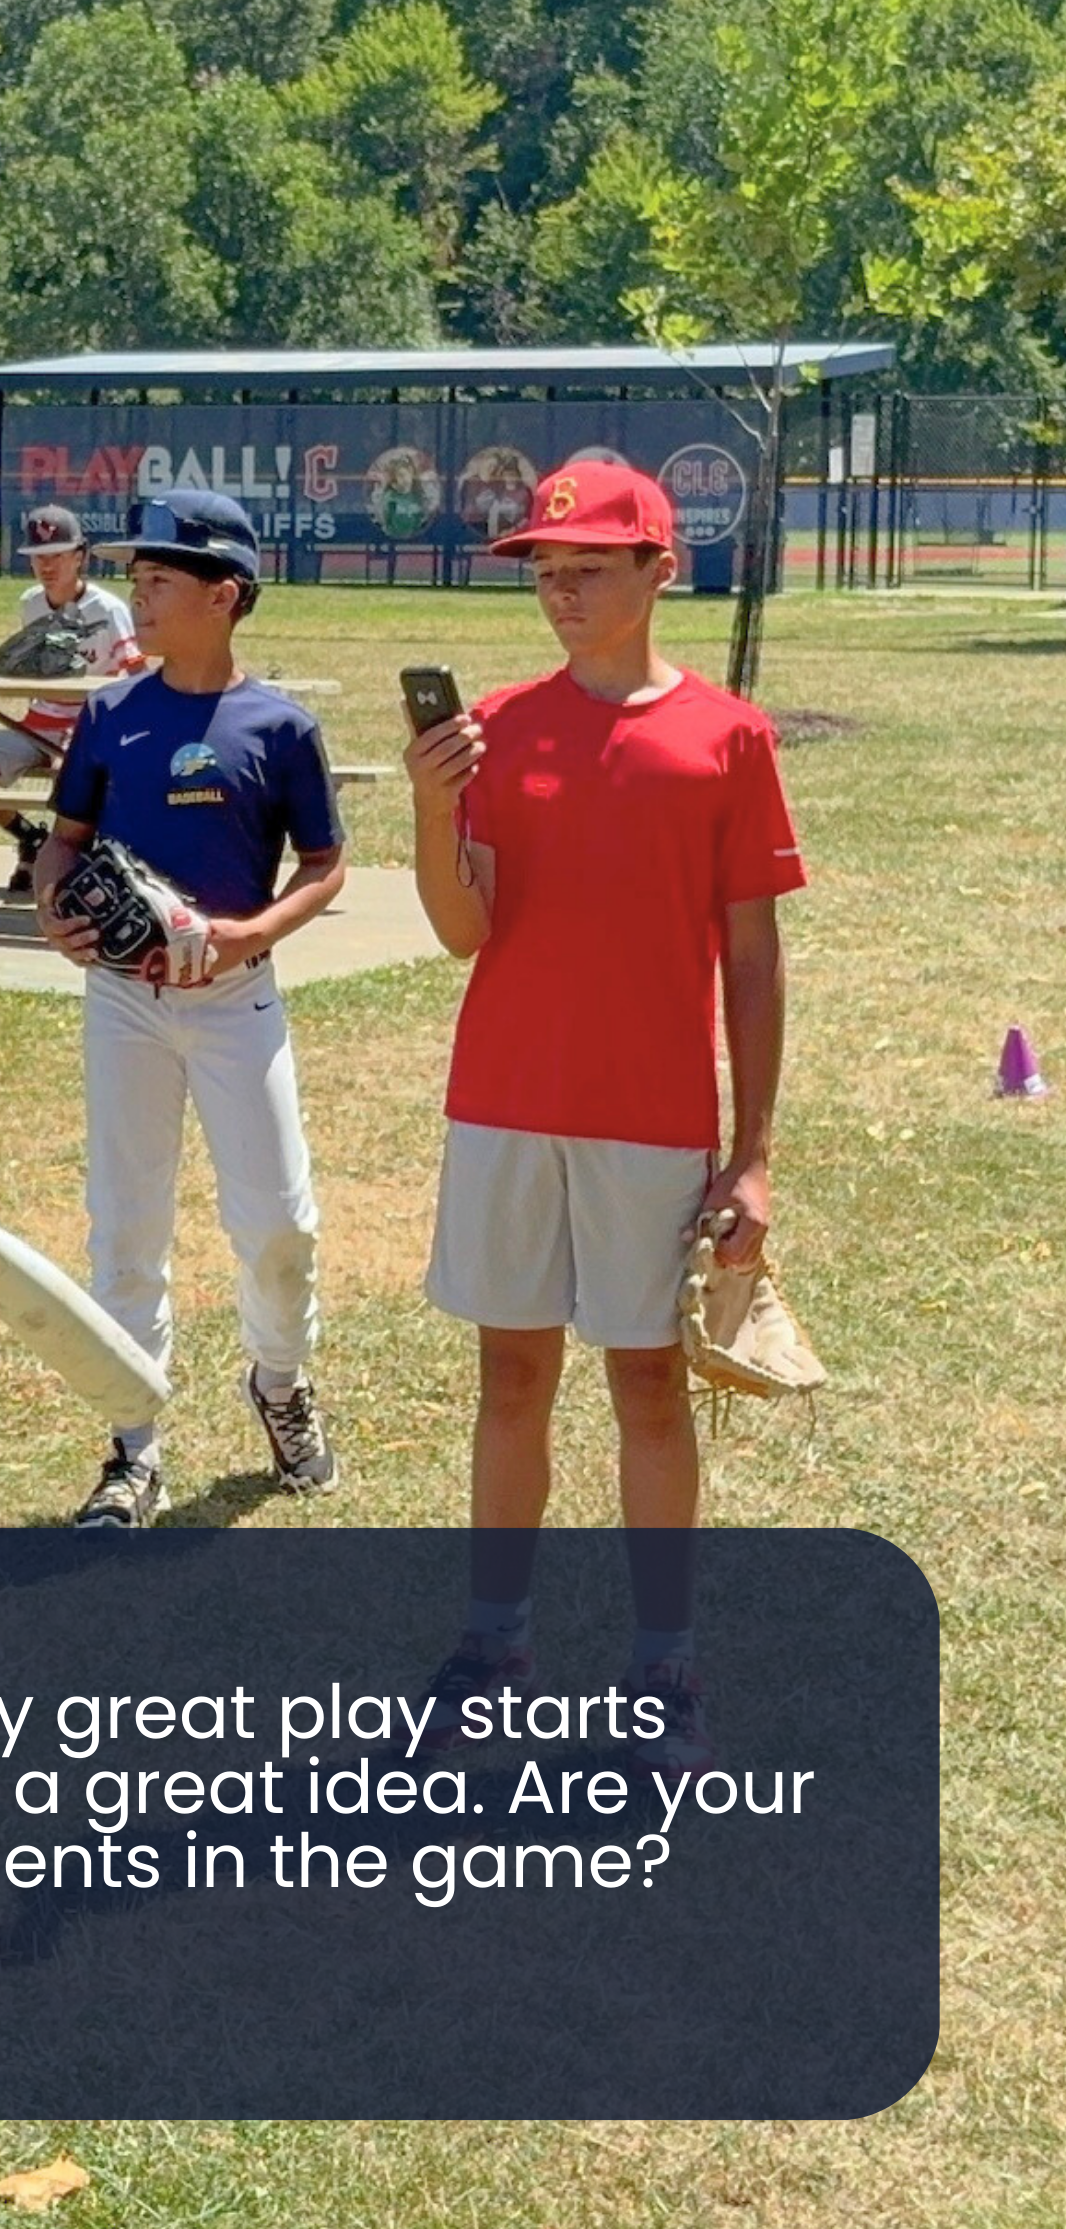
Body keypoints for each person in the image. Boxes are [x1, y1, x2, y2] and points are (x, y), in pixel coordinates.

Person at [402, 463, 806, 1775]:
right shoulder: (502, 729)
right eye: (543, 567)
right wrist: (428, 801)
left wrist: (752, 1152)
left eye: (588, 563)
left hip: (651, 1116)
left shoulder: (728, 738)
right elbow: (466, 928)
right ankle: (493, 1638)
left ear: (659, 569)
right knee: (512, 1375)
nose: (561, 587)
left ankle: (662, 1663)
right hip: (509, 1103)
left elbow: (751, 953)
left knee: (646, 1381)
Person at [33, 491, 348, 1527]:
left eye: (161, 579)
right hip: (126, 1000)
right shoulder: (111, 713)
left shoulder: (280, 726)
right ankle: (132, 1446)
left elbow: (325, 866)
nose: (140, 594)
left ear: (225, 595)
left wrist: (258, 931)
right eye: (138, 576)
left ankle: (280, 1380)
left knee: (277, 1225)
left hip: (233, 998)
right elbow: (65, 841)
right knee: (127, 1227)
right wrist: (51, 910)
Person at [0, 502, 143, 895]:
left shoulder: (108, 608)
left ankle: (68, 863)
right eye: (37, 558)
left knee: (73, 774)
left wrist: (96, 729)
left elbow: (135, 675)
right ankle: (30, 838)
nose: (46, 566)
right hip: (36, 724)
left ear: (80, 556)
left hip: (89, 728)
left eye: (57, 556)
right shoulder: (30, 602)